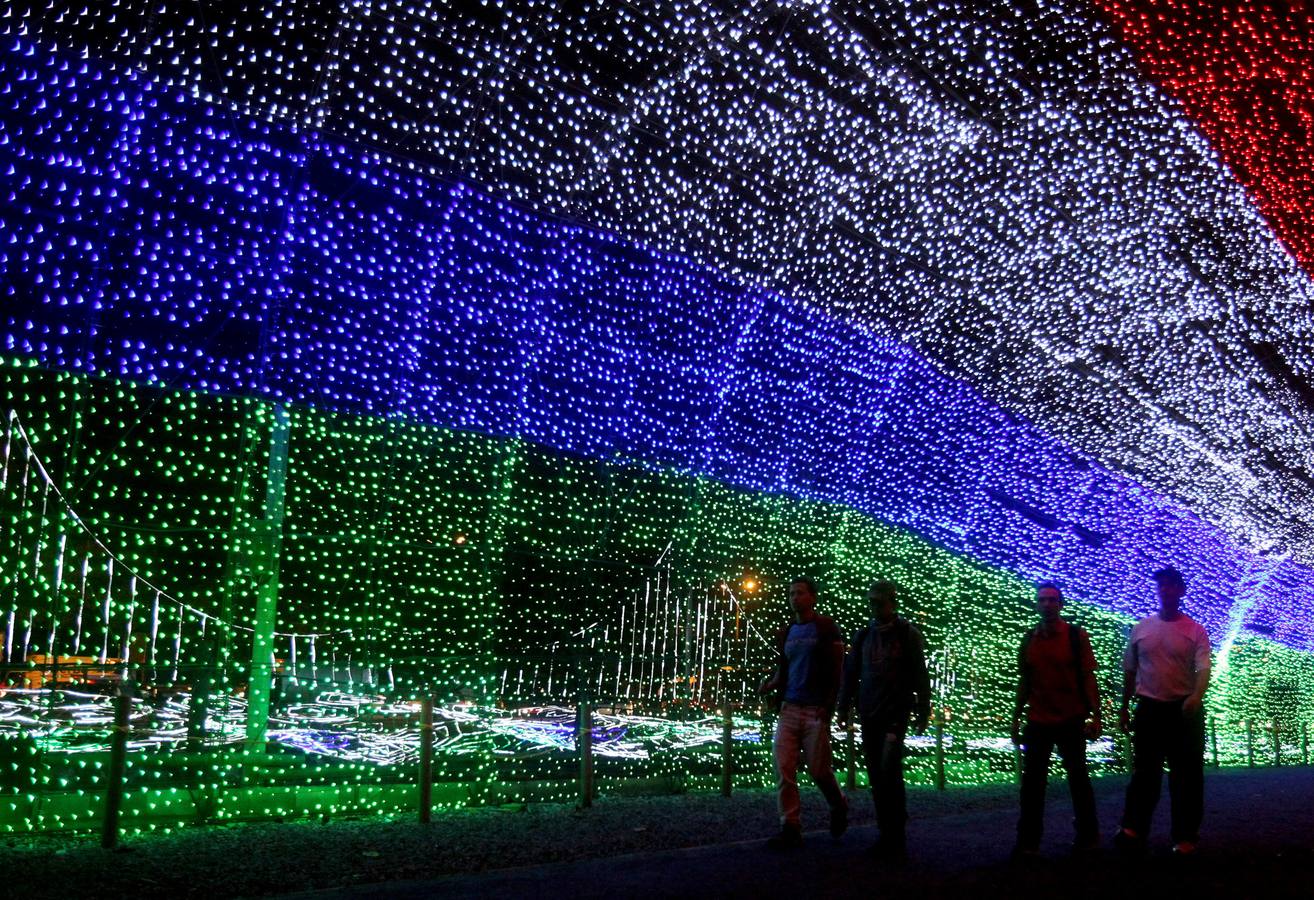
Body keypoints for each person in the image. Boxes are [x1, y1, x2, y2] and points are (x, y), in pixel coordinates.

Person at [1115, 566, 1211, 856]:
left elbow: (1203, 669)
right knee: (1145, 774)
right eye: (1162, 586)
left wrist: (1196, 695)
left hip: (1183, 710)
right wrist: (1124, 707)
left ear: (1181, 591)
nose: (1166, 591)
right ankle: (1133, 828)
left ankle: (1185, 836)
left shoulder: (1195, 630)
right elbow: (1130, 672)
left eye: (1171, 586)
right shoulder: (1141, 628)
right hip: (1150, 708)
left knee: (1186, 777)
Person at [836, 580, 930, 859]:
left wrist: (922, 709)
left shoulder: (907, 634)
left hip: (895, 713)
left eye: (879, 601)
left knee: (888, 770)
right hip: (870, 712)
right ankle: (886, 833)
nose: (875, 606)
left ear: (892, 601)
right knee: (877, 774)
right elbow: (851, 672)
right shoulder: (864, 635)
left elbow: (919, 673)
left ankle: (895, 834)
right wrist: (843, 707)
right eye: (872, 602)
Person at [1010, 581, 1101, 858]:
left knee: (1078, 779)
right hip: (1038, 719)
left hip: (1070, 717)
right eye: (1042, 600)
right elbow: (1025, 681)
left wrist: (1096, 715)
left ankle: (1087, 835)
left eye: (1052, 600)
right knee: (1033, 784)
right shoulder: (1029, 639)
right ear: (1037, 605)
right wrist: (1015, 718)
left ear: (1060, 605)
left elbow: (1088, 677)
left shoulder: (1076, 636)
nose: (1047, 604)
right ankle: (1029, 840)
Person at [760, 576, 848, 849]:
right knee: (784, 768)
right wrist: (773, 683)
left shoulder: (826, 627)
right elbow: (785, 667)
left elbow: (837, 669)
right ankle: (791, 826)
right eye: (790, 594)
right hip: (789, 707)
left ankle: (838, 804)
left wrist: (829, 706)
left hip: (814, 709)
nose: (794, 598)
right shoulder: (786, 632)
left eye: (799, 593)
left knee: (819, 770)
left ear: (813, 597)